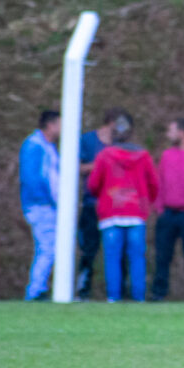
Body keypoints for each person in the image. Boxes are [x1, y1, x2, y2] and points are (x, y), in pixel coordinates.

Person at [87, 113, 158, 303]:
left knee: (112, 257)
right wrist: (146, 202)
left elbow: (93, 184)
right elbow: (154, 184)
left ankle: (113, 297)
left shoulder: (104, 156)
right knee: (136, 257)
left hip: (111, 213)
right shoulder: (143, 156)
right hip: (135, 213)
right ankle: (138, 297)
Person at [151, 116, 184, 303]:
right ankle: (159, 292)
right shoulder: (167, 155)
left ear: (182, 132)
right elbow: (160, 181)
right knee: (162, 256)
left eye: (171, 130)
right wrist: (159, 206)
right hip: (168, 212)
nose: (168, 134)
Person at [75, 106, 126, 298]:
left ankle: (120, 292)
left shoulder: (121, 144)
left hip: (116, 207)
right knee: (89, 249)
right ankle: (83, 290)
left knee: (119, 251)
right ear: (112, 122)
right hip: (92, 203)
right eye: (121, 125)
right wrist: (101, 165)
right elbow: (76, 166)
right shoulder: (87, 141)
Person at [18, 110, 61, 301]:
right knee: (47, 247)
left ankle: (39, 288)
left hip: (49, 205)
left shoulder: (48, 146)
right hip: (41, 205)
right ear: (50, 124)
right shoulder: (34, 146)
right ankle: (35, 290)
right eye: (59, 123)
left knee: (48, 247)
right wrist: (46, 201)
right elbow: (32, 178)